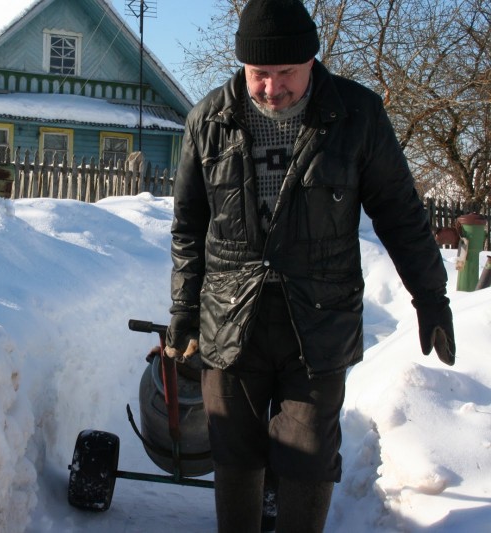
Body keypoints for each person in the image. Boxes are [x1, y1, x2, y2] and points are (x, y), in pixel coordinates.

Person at [164, 0, 457, 531]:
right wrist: (184, 310)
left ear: (312, 61)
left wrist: (430, 296)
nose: (273, 89)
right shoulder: (208, 120)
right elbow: (189, 226)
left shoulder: (356, 115)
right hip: (230, 319)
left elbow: (401, 214)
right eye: (260, 75)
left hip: (318, 320)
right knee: (235, 453)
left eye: (287, 74)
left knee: (308, 456)